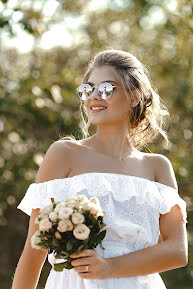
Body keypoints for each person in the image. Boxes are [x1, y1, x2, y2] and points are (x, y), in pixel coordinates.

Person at [12, 48, 188, 289]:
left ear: (135, 97)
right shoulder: (64, 154)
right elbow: (34, 252)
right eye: (87, 89)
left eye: (106, 88)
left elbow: (177, 251)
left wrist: (110, 267)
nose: (94, 96)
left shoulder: (157, 167)